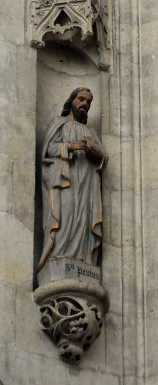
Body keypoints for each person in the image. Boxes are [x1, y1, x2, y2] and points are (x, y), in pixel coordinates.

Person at [38, 87, 107, 270]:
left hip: (88, 183)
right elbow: (48, 151)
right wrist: (70, 146)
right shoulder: (59, 123)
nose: (85, 104)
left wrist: (95, 153)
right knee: (66, 215)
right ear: (72, 101)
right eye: (81, 99)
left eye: (88, 102)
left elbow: (103, 158)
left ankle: (84, 260)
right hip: (65, 179)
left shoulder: (91, 132)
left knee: (84, 218)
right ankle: (59, 256)